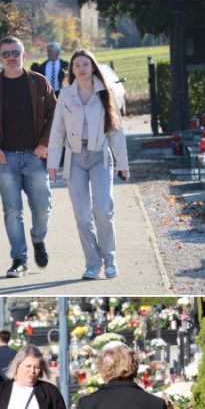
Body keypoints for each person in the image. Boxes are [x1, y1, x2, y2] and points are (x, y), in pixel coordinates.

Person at [0, 36, 57, 279]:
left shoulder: (39, 82)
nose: (11, 57)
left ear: (24, 55)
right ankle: (19, 259)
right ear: (0, 58)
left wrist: (44, 144)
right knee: (12, 211)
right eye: (5, 54)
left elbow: (55, 115)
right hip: (5, 159)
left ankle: (38, 239)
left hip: (35, 156)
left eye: (15, 52)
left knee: (43, 207)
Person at [47, 48, 130, 280]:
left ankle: (110, 259)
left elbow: (116, 130)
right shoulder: (65, 95)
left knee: (102, 210)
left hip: (100, 157)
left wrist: (123, 162)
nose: (81, 69)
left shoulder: (105, 93)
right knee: (83, 215)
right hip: (74, 159)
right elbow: (57, 130)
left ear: (93, 66)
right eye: (77, 65)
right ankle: (92, 263)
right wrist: (52, 162)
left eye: (85, 64)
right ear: (71, 69)